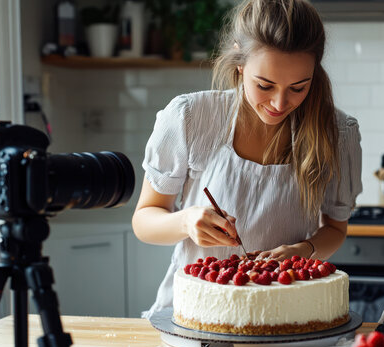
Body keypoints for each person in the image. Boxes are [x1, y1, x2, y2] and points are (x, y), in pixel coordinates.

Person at [132, 0, 362, 318]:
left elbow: (335, 229)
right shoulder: (191, 117)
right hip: (192, 316)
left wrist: (304, 250)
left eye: (299, 87)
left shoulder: (339, 134)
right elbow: (144, 220)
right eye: (264, 85)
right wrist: (185, 221)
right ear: (240, 63)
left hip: (284, 314)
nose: (280, 103)